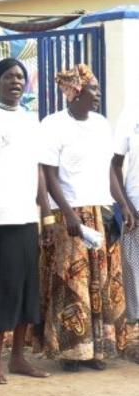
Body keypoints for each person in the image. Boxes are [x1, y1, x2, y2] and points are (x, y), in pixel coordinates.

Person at [36, 64, 135, 370]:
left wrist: (123, 205)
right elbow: (49, 175)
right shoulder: (53, 125)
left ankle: (96, 350)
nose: (98, 94)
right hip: (70, 214)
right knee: (72, 283)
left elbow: (110, 171)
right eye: (93, 89)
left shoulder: (101, 125)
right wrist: (68, 215)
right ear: (76, 91)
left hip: (102, 212)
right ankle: (71, 352)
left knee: (101, 283)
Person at [0, 59, 51, 384]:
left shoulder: (32, 121)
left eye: (20, 77)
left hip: (26, 218)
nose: (16, 82)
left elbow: (39, 170)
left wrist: (46, 214)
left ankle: (18, 357)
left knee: (27, 289)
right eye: (8, 77)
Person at [113, 104, 139, 325]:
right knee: (135, 276)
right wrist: (125, 205)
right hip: (136, 207)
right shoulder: (130, 114)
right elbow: (115, 165)